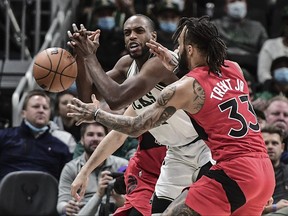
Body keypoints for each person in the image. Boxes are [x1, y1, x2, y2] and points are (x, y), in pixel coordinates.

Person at [67, 16, 275, 215]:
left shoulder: (178, 82)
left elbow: (130, 119)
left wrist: (96, 113)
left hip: (212, 156)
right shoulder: (234, 68)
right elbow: (92, 97)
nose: (176, 50)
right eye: (127, 32)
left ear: (190, 50)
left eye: (180, 46)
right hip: (257, 168)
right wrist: (81, 57)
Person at [68, 14, 213, 215]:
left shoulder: (160, 63)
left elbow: (115, 98)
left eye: (139, 31)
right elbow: (88, 96)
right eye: (127, 33)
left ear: (153, 36)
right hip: (176, 153)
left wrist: (90, 57)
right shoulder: (127, 65)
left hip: (205, 147)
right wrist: (81, 56)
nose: (132, 36)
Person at [57, 122, 128, 216]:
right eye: (90, 134)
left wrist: (115, 194)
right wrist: (66, 207)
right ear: (82, 140)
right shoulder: (70, 168)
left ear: (107, 140)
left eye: (100, 135)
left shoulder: (122, 165)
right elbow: (61, 203)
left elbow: (131, 204)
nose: (95, 138)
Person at [0, 89, 72, 181]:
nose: (41, 111)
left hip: (46, 194)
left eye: (45, 108)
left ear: (50, 114)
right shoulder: (4, 137)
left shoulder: (61, 148)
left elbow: (67, 182)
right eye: (36, 106)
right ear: (23, 113)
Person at [212, 0, 268, 75]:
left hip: (252, 68)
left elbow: (266, 51)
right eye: (232, 1)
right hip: (223, 68)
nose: (237, 5)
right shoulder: (214, 26)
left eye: (240, 0)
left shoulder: (257, 27)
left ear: (246, 5)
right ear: (225, 7)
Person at [257, 5, 288, 84]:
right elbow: (262, 74)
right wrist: (275, 84)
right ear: (284, 25)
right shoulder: (270, 45)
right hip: (274, 89)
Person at [262, 125, 288, 215]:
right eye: (266, 143)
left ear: (282, 147)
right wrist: (274, 207)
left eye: (275, 143)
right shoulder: (250, 174)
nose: (270, 147)